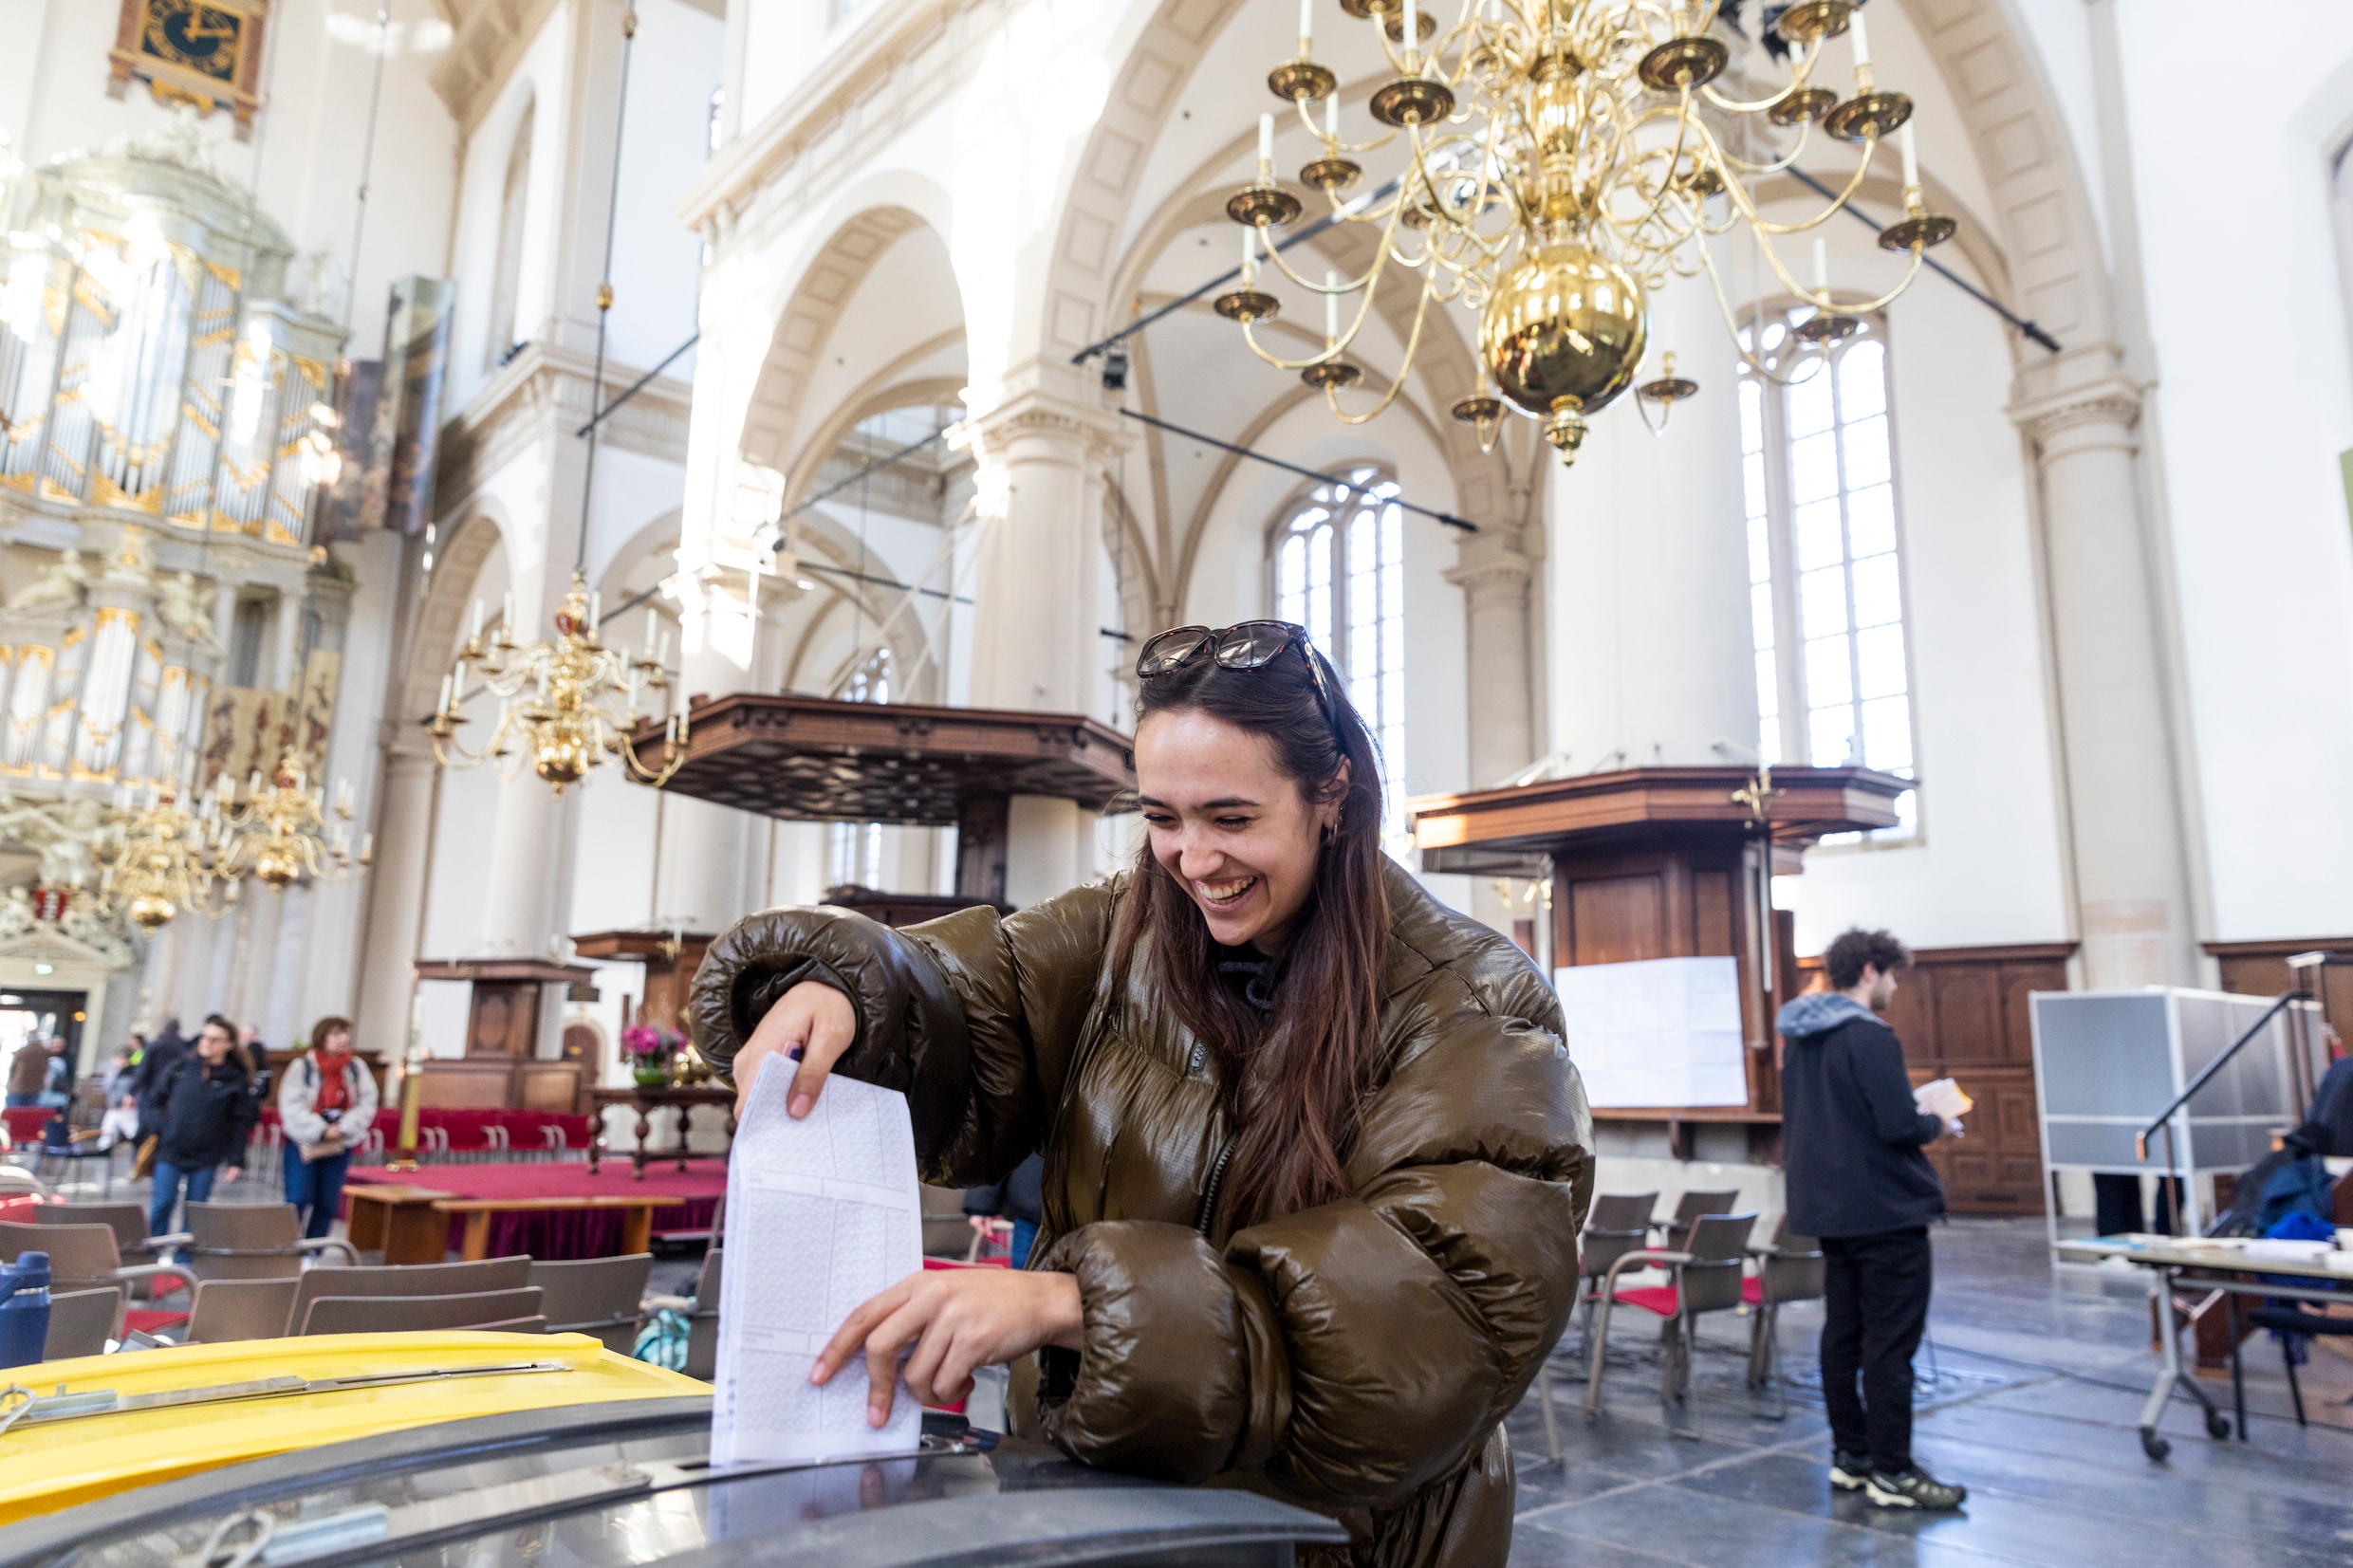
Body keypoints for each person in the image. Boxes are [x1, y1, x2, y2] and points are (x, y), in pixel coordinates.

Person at [693, 620, 1593, 1568]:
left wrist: (1077, 1303)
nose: (1192, 859)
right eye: (1161, 817)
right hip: (1099, 1509)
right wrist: (838, 991)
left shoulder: (1473, 1003)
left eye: (1230, 818)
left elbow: (1433, 1315)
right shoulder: (1123, 932)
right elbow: (960, 992)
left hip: (1341, 1541)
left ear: (1332, 794)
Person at [1776, 928, 1967, 1512]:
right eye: (1890, 974)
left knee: (1843, 1336)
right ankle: (1894, 1471)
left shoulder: (1802, 1038)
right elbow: (1897, 1126)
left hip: (1831, 1212)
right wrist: (1936, 1119)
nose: (1893, 986)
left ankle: (1852, 1458)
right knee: (1889, 1347)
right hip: (1885, 1213)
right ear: (1867, 970)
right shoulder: (1868, 1035)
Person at [147, 1015, 255, 1243]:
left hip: (206, 1154)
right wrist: (163, 1128)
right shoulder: (180, 1068)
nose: (207, 1042)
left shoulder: (235, 1080)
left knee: (195, 1211)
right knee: (162, 1203)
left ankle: (184, 1260)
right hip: (171, 1148)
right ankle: (152, 1254)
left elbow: (240, 1122)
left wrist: (236, 1160)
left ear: (228, 1044)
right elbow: (154, 1101)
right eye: (205, 1037)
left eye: (215, 1039)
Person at [278, 1016, 377, 1239]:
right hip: (305, 1141)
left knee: (327, 1202)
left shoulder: (355, 1067)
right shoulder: (302, 1067)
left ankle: (312, 1253)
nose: (342, 1039)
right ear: (322, 1037)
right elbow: (291, 1104)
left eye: (344, 1033)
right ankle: (287, 1247)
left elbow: (367, 1101)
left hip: (339, 1141)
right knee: (297, 1197)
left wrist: (345, 1126)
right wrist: (321, 1129)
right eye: (335, 1034)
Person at [962, 1152, 1044, 1267]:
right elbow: (1001, 1141)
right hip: (1032, 1212)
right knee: (1024, 1278)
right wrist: (982, 1202)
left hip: (1034, 1205)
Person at [5, 1035, 44, 1108]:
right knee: (26, 1113)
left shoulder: (22, 1052)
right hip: (30, 1089)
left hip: (19, 1088)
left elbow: (12, 1069)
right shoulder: (41, 1052)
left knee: (15, 1113)